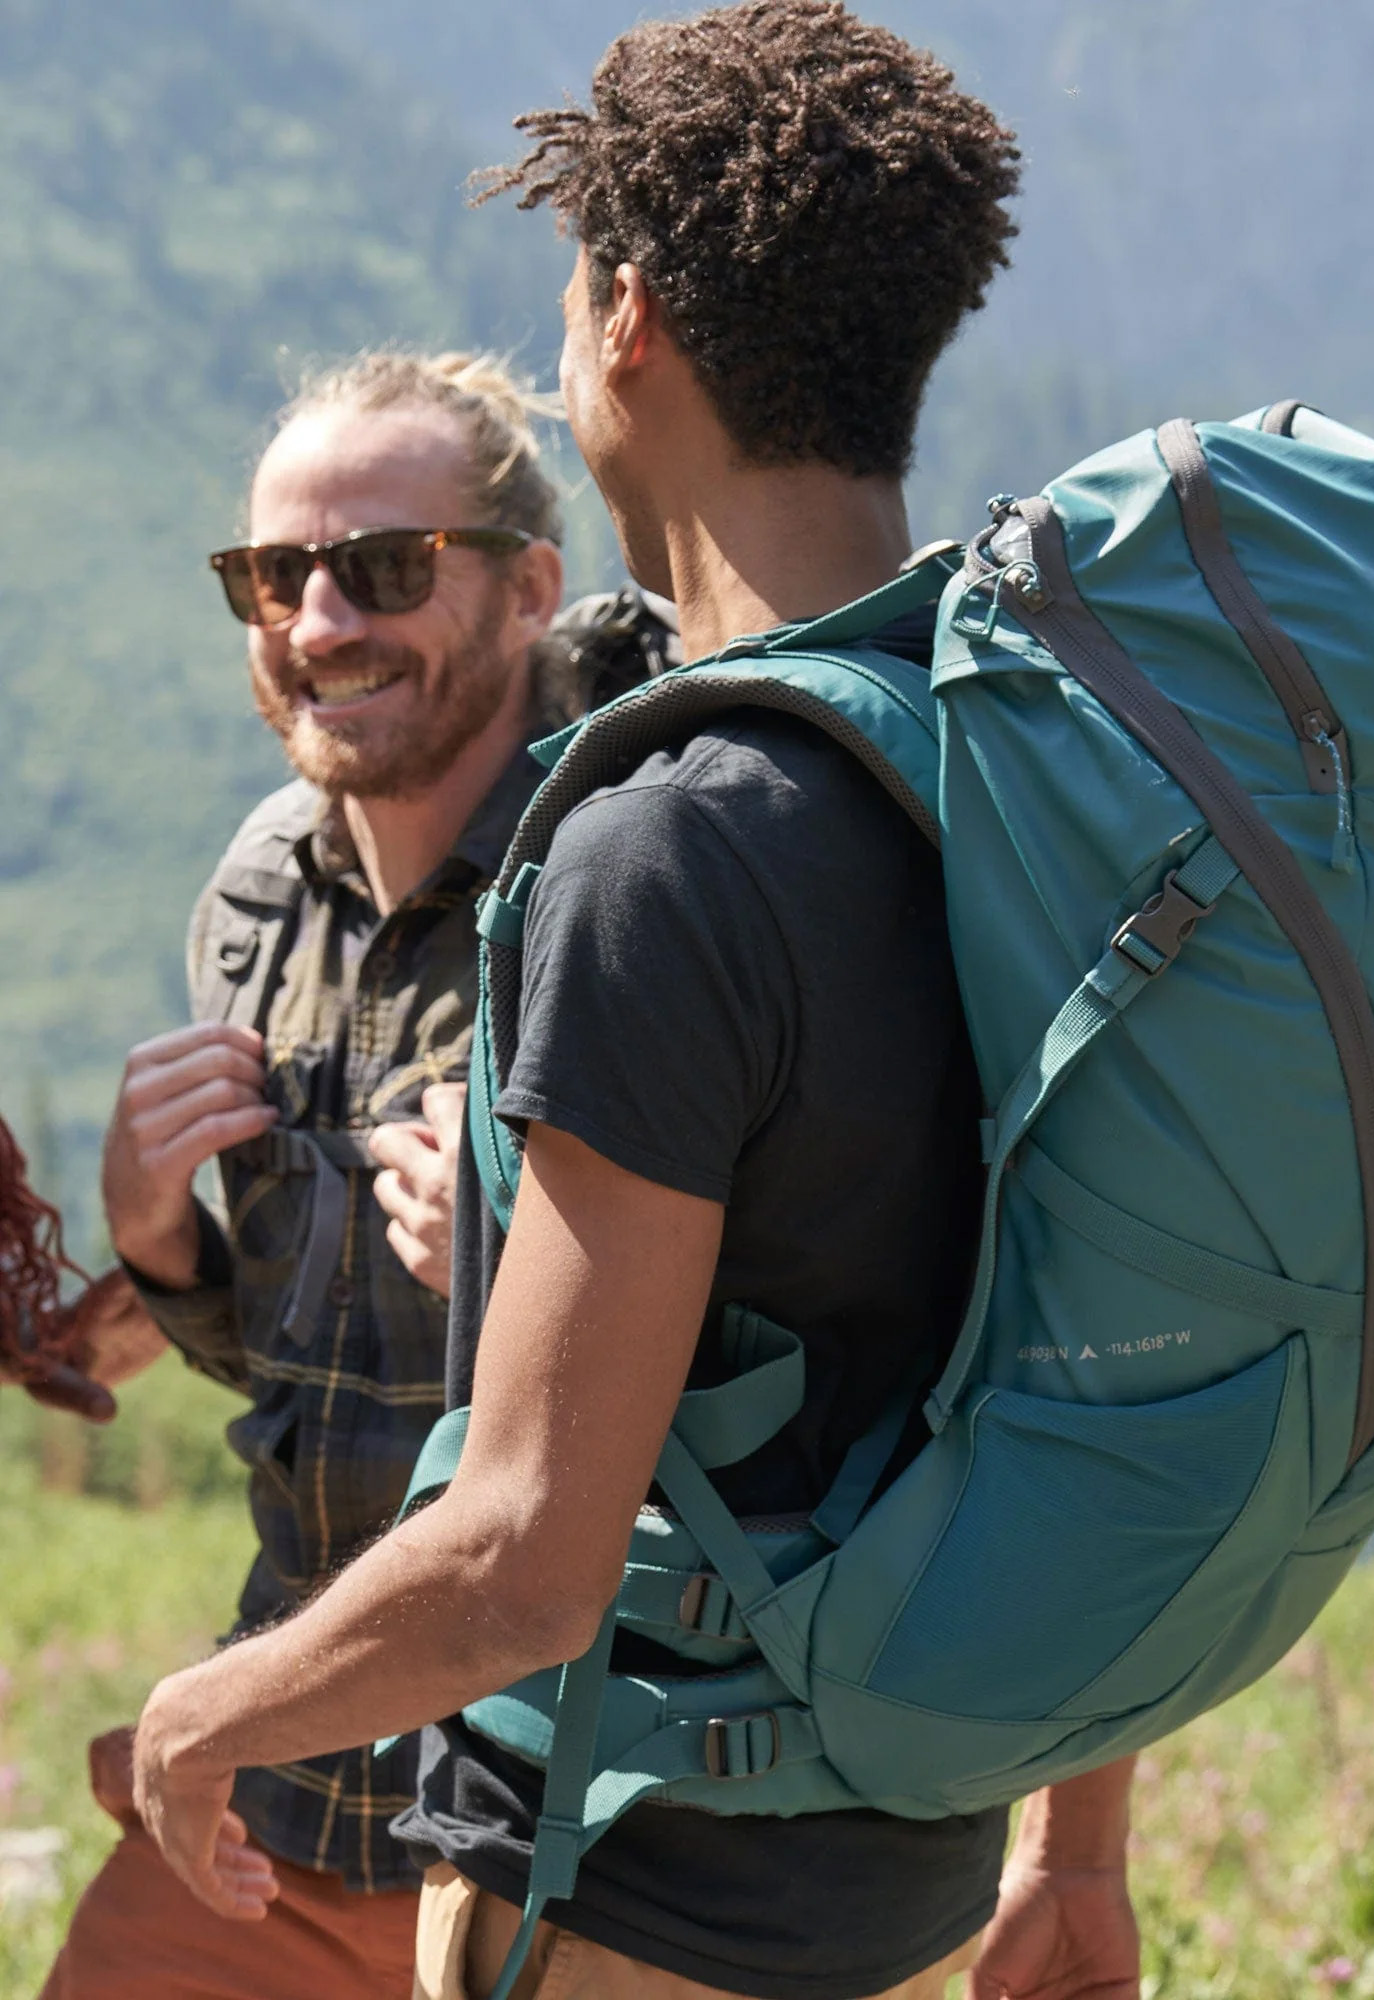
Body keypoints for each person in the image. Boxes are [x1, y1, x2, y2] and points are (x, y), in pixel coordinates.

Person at [127, 7, 1144, 1999]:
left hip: (636, 1889)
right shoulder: (1012, 754)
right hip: (913, 1880)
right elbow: (1071, 1350)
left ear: (626, 323)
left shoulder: (656, 846)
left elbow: (523, 1557)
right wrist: (1079, 1844)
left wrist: (201, 1718)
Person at [41, 353, 568, 2000]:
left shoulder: (634, 879)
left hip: (558, 1828)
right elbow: (300, 1367)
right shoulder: (262, 892)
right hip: (281, 1801)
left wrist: (533, 1286)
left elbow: (811, 1352)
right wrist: (162, 1243)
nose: (321, 620)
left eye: (387, 567)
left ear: (531, 587)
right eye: (275, 576)